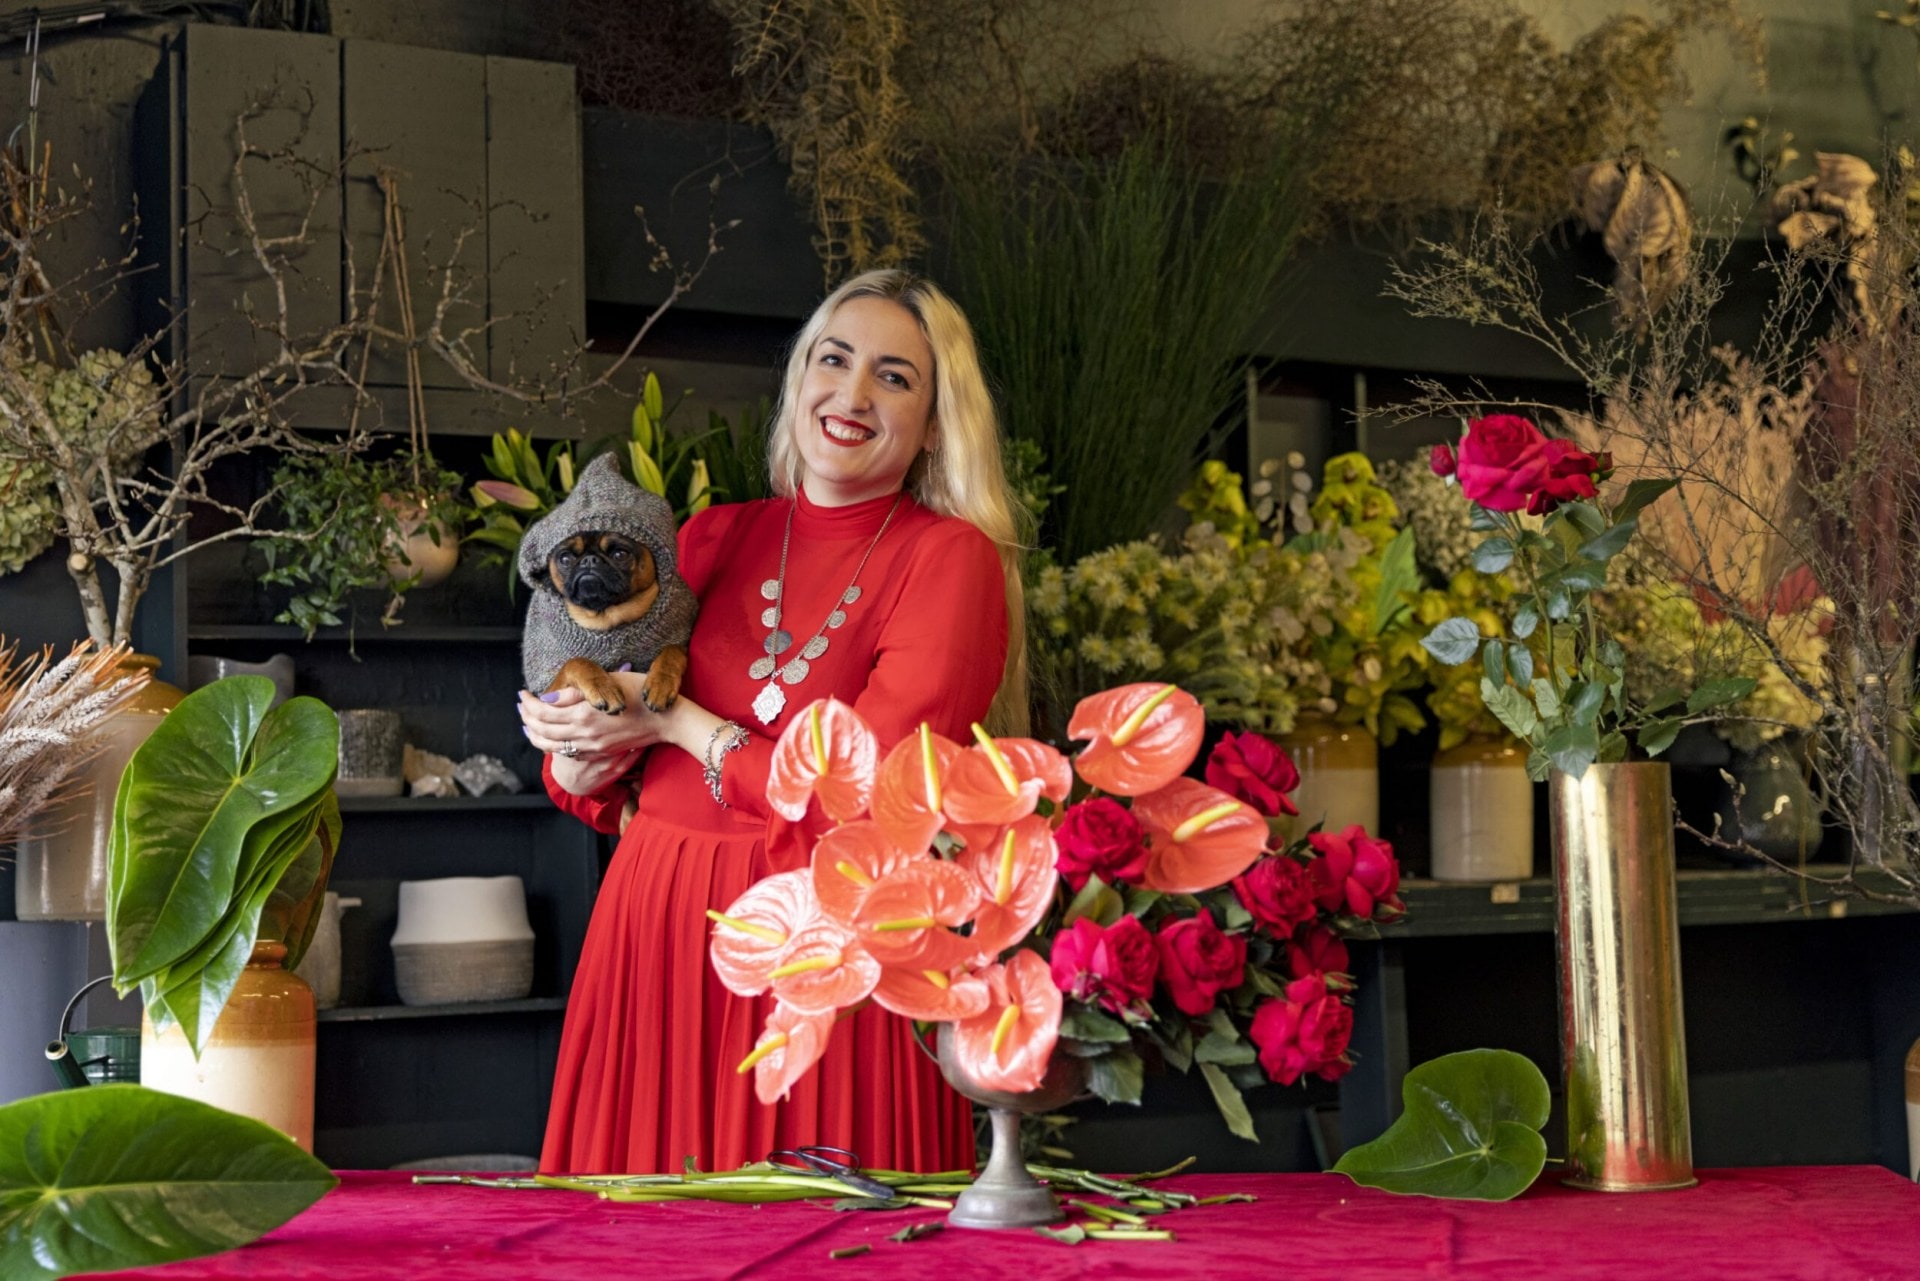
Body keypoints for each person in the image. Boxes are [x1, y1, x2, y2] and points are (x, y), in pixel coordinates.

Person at [518, 268, 1028, 1175]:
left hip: (827, 948)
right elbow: (599, 773)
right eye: (834, 359)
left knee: (822, 1238)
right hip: (657, 926)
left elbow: (866, 792)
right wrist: (581, 757)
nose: (853, 393)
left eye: (895, 376)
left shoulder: (951, 560)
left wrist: (679, 727)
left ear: (936, 425)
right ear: (799, 380)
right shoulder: (710, 537)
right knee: (633, 1246)